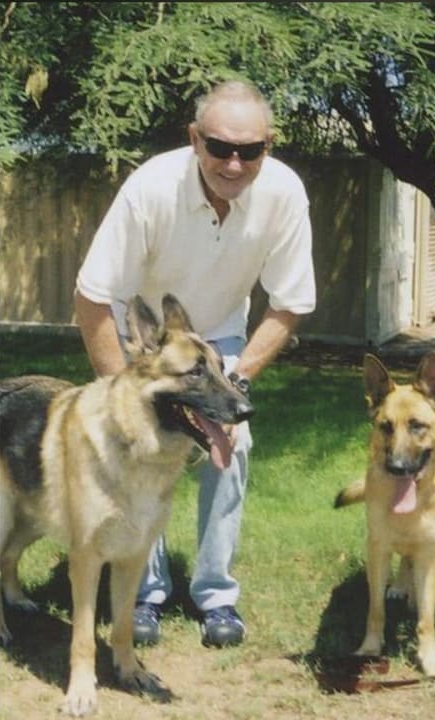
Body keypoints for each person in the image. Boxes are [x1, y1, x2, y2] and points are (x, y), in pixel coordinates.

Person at [74, 79, 315, 648]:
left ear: (269, 147)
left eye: (250, 150)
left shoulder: (283, 192)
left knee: (233, 446)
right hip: (149, 343)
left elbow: (290, 303)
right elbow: (91, 298)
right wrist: (122, 396)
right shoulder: (151, 188)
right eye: (219, 147)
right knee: (139, 447)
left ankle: (215, 595)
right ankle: (145, 593)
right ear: (194, 138)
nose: (233, 163)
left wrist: (234, 381)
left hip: (220, 339)